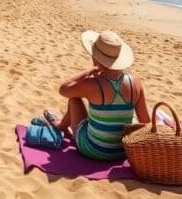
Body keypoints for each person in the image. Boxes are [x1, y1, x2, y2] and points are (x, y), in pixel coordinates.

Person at [47, 29, 150, 161]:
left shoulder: (93, 84)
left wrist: (89, 71)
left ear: (95, 57)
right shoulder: (135, 82)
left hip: (92, 149)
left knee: (74, 100)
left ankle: (61, 126)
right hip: (123, 151)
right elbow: (146, 122)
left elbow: (64, 89)